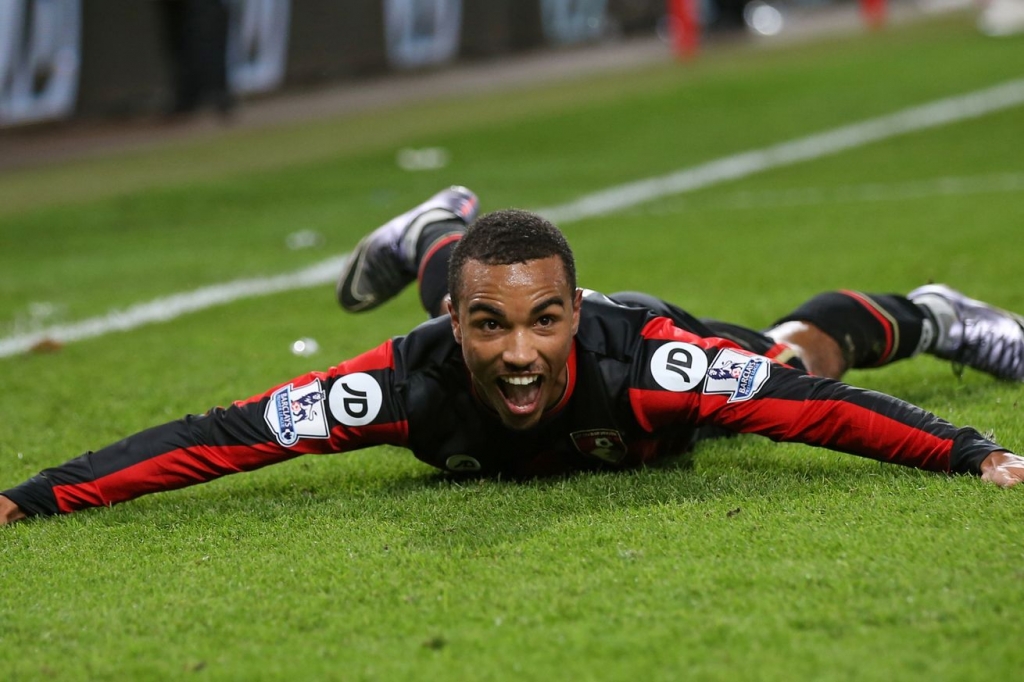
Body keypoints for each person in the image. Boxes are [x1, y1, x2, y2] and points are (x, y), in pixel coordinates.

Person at [3, 186, 1024, 524]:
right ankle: (438, 237)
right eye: (488, 328)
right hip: (476, 299)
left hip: (667, 344)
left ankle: (929, 315)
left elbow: (812, 411)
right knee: (481, 281)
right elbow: (224, 436)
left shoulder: (652, 365)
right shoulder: (400, 384)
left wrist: (969, 451)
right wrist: (36, 495)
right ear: (450, 328)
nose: (522, 353)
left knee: (793, 355)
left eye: (547, 321)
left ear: (576, 310)